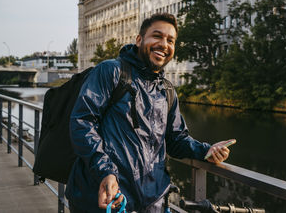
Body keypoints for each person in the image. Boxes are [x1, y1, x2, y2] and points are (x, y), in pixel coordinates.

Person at [65, 13, 234, 213]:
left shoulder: (168, 91)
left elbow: (176, 140)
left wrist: (206, 151)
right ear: (139, 40)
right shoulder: (111, 71)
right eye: (157, 36)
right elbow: (82, 122)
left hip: (153, 202)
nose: (164, 44)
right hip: (106, 198)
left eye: (170, 40)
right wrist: (105, 171)